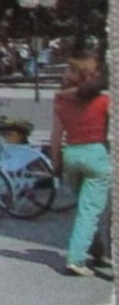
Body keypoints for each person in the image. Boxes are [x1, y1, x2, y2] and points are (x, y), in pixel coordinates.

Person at [49, 54, 111, 277]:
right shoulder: (104, 102)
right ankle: (76, 259)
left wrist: (55, 164)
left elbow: (55, 138)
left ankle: (98, 251)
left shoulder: (61, 101)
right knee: (90, 210)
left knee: (85, 206)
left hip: (71, 155)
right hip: (96, 154)